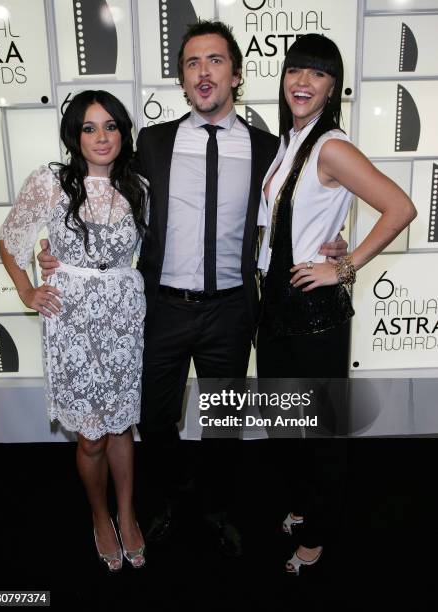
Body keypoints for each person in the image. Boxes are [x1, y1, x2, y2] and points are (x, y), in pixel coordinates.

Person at [37, 21, 346, 557]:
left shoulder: (269, 147)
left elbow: (304, 203)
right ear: (182, 80)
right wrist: (58, 252)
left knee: (223, 425)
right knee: (157, 422)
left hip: (231, 309)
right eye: (192, 64)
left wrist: (335, 245)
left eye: (216, 61)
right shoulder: (151, 144)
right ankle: (169, 504)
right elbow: (102, 202)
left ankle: (215, 507)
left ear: (237, 74)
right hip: (161, 310)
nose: (204, 73)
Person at [256, 34, 417, 575]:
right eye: (295, 70)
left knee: (321, 431)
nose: (303, 81)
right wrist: (334, 239)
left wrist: (343, 266)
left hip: (313, 310)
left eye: (318, 73)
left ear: (332, 88)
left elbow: (400, 207)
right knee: (287, 424)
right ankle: (305, 505)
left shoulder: (331, 146)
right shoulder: (291, 141)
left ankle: (320, 532)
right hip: (274, 304)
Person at [0, 90, 148, 572]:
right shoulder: (50, 182)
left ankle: (127, 514)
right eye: (89, 127)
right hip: (72, 321)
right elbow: (9, 238)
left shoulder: (139, 185)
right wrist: (26, 291)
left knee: (123, 425)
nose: (101, 137)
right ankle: (99, 516)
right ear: (74, 135)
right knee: (91, 437)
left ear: (123, 133)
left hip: (123, 316)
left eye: (110, 126)